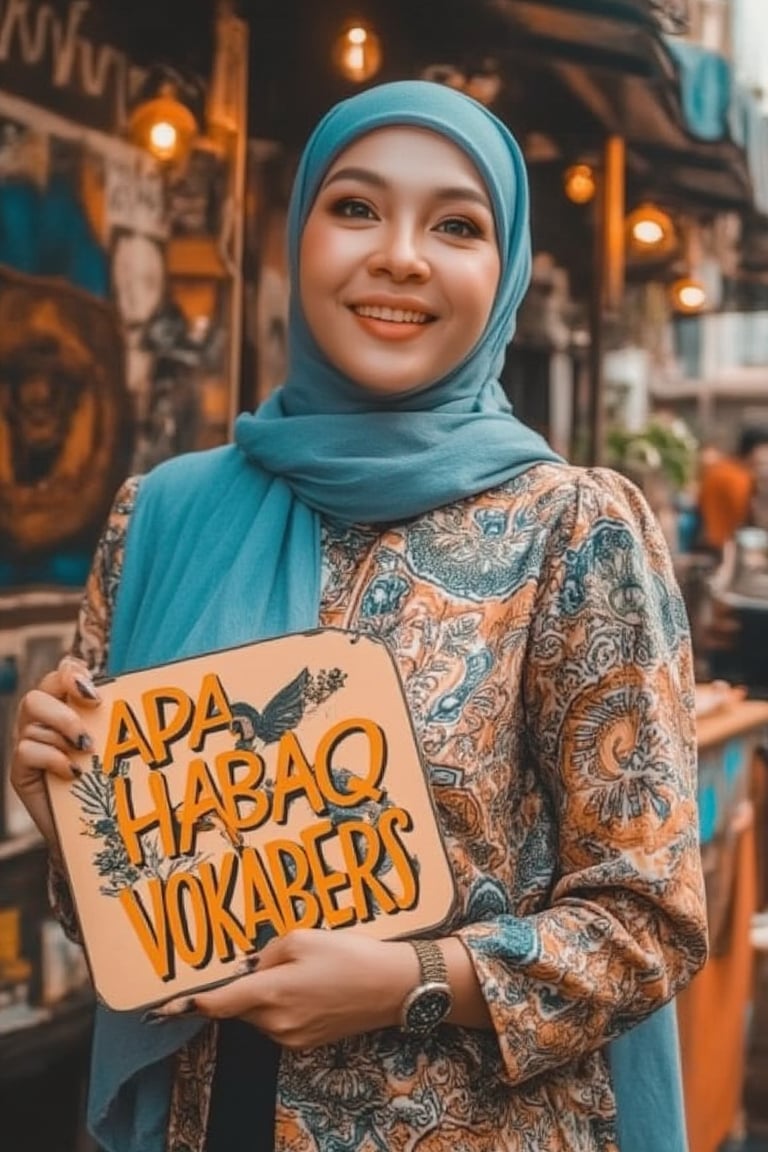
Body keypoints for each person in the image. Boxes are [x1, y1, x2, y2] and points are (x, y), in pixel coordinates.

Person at [11, 80, 707, 1152]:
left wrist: (406, 981)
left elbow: (650, 927)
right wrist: (68, 811)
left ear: (504, 268)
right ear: (296, 241)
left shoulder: (570, 528)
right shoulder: (163, 515)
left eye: (457, 225)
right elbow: (136, 932)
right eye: (355, 208)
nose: (401, 257)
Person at [697, 425, 768, 555]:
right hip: (727, 546)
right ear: (756, 449)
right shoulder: (739, 477)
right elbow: (747, 515)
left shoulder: (720, 469)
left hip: (708, 541)